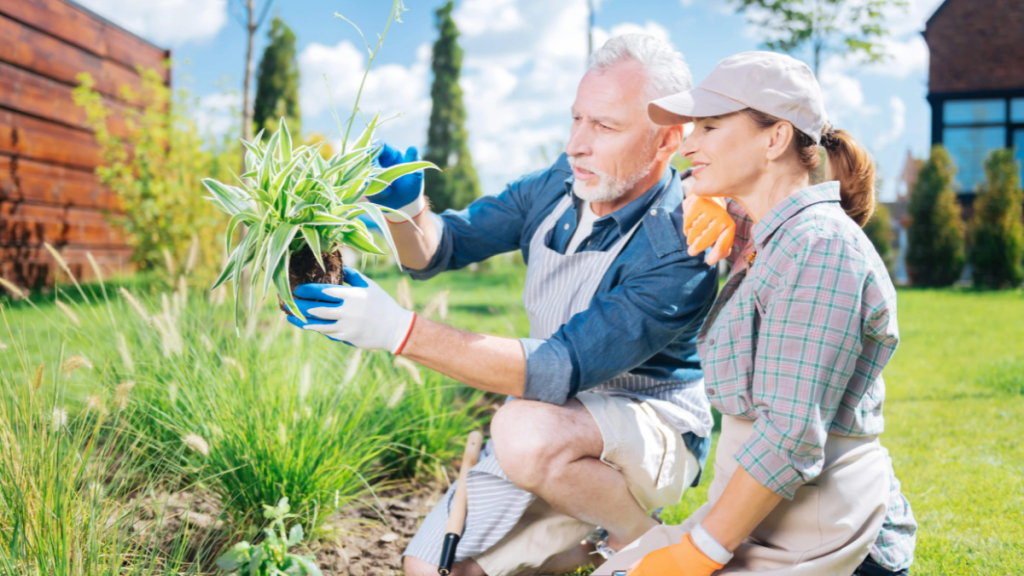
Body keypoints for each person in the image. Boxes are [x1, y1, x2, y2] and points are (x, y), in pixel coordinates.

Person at [286, 35, 720, 576]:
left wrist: (395, 329)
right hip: (552, 420)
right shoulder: (555, 188)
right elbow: (440, 247)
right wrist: (405, 210)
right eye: (577, 119)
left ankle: (644, 540)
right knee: (429, 569)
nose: (575, 145)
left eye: (604, 126)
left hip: (649, 434)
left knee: (522, 432)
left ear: (666, 141)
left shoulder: (681, 245)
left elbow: (556, 368)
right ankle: (588, 538)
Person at [594, 51, 917, 576]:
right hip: (760, 520)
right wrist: (701, 197)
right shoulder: (765, 235)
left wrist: (699, 553)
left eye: (710, 127)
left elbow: (790, 438)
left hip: (826, 535)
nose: (689, 143)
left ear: (774, 139)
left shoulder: (819, 250)